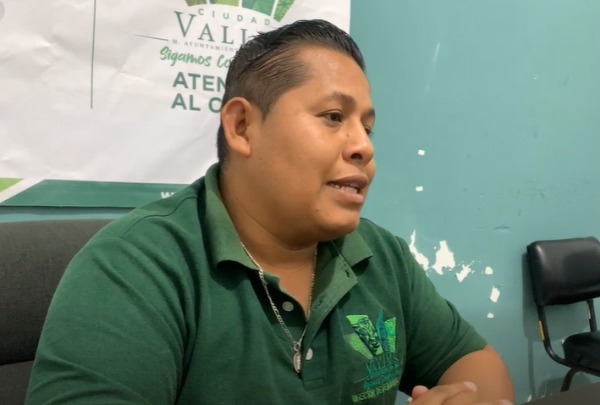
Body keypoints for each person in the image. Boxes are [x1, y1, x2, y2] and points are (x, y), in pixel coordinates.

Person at [26, 19, 514, 404]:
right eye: (333, 117)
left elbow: (477, 363)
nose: (363, 147)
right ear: (242, 126)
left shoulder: (381, 257)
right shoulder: (133, 267)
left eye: (367, 128)